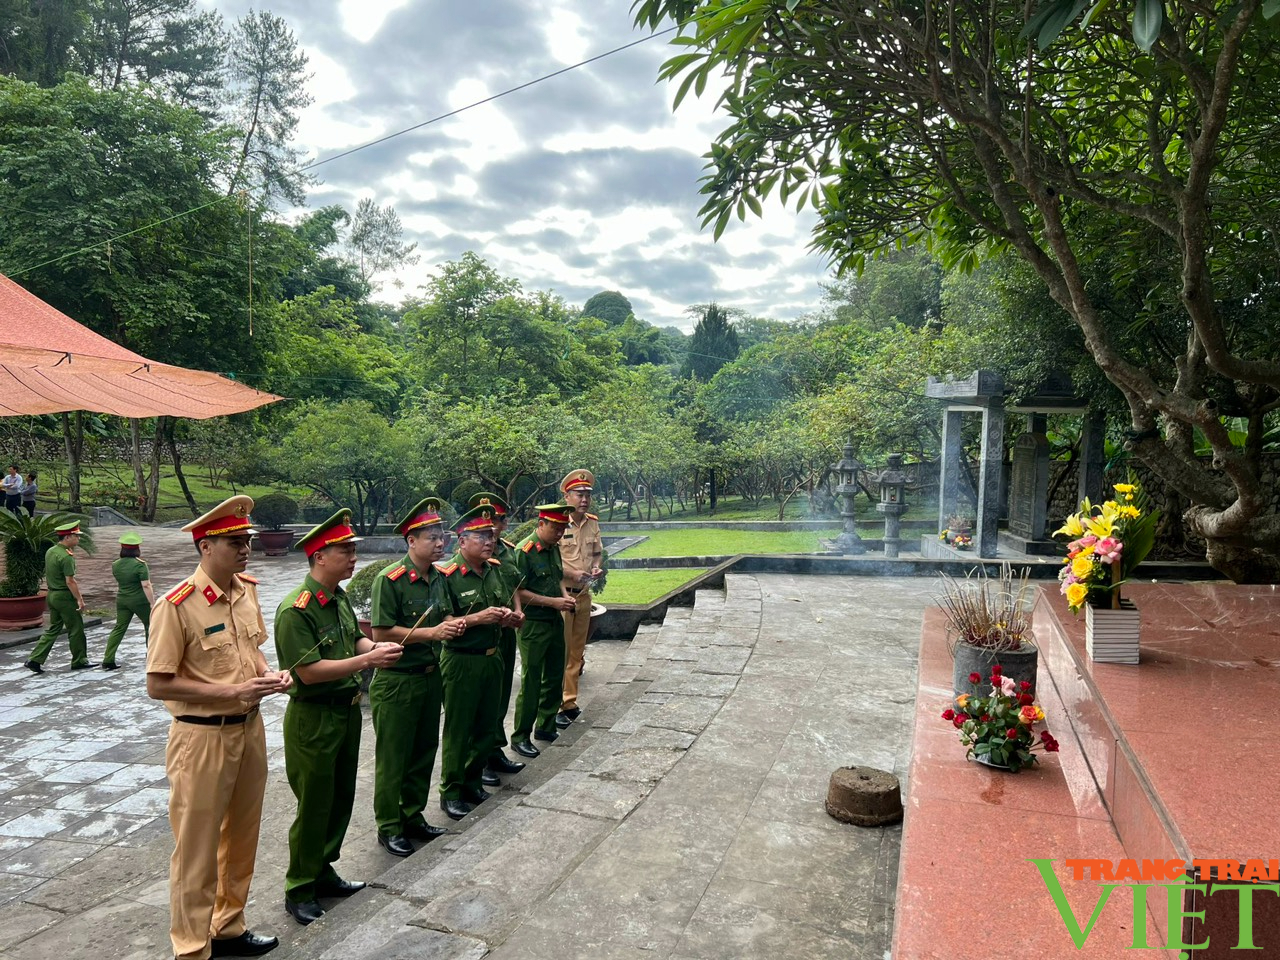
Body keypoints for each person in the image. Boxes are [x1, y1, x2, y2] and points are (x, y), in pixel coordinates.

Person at [144, 495, 291, 960]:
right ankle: (190, 948)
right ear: (206, 546)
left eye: (246, 540)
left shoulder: (246, 590)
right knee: (197, 849)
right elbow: (158, 683)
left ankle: (228, 926)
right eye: (234, 541)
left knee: (242, 835)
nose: (245, 548)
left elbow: (254, 651)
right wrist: (231, 692)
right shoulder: (176, 606)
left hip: (249, 729)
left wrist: (270, 674)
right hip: (201, 737)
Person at [275, 509, 403, 926]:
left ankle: (323, 869)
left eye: (353, 550)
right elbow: (306, 673)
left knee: (339, 798)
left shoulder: (339, 598)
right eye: (345, 550)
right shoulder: (296, 610)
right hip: (313, 718)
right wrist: (364, 660)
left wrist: (374, 650)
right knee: (313, 805)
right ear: (318, 556)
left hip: (345, 715)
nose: (353, 557)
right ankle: (299, 887)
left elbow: (354, 637)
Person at [367, 497, 465, 858]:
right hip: (397, 680)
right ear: (411, 540)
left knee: (424, 751)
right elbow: (380, 633)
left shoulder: (440, 577)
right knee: (395, 756)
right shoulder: (389, 580)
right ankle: (389, 826)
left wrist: (455, 625)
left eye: (443, 537)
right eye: (432, 538)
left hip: (430, 675)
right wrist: (433, 634)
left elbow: (446, 619)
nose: (441, 544)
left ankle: (413, 814)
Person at [434, 504, 522, 821]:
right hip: (461, 661)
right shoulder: (446, 576)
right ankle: (451, 791)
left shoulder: (493, 570)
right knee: (460, 730)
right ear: (462, 541)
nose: (489, 540)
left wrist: (509, 618)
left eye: (490, 535)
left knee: (487, 726)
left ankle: (472, 784)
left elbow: (500, 605)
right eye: (481, 536)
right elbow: (444, 621)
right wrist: (478, 618)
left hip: (492, 657)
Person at [468, 492, 527, 786]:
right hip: (478, 635)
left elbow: (514, 584)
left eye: (499, 520)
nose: (493, 528)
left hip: (505, 631)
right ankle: (479, 760)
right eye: (485, 524)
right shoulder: (467, 556)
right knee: (478, 705)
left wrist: (517, 611)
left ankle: (495, 750)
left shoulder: (507, 550)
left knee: (500, 696)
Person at [510, 504, 575, 758]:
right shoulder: (524, 552)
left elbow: (558, 577)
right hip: (534, 624)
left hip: (554, 620)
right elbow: (519, 591)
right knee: (532, 680)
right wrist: (554, 602)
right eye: (555, 528)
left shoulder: (552, 549)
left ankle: (546, 725)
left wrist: (564, 597)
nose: (559, 533)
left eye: (562, 528)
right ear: (540, 524)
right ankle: (520, 736)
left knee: (554, 674)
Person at [556, 469, 605, 729]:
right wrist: (572, 573)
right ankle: (553, 704)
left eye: (587, 495)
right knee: (560, 653)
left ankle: (569, 703)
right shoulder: (557, 523)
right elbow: (550, 563)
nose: (584, 499)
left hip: (584, 596)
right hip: (563, 596)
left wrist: (596, 567)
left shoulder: (593, 522)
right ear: (567, 496)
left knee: (576, 652)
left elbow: (597, 553)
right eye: (579, 494)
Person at [25, 520, 92, 673]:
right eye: (76, 536)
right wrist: (79, 599)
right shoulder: (67, 557)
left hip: (52, 595)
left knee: (53, 628)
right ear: (67, 537)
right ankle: (80, 660)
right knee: (76, 628)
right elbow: (70, 581)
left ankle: (35, 659)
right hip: (64, 597)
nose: (79, 539)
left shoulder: (51, 551)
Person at [102, 531, 155, 669]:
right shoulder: (140, 565)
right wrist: (152, 603)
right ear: (137, 549)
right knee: (150, 625)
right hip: (139, 600)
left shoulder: (116, 564)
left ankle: (108, 658)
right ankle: (152, 655)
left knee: (119, 628)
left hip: (122, 599)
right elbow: (146, 585)